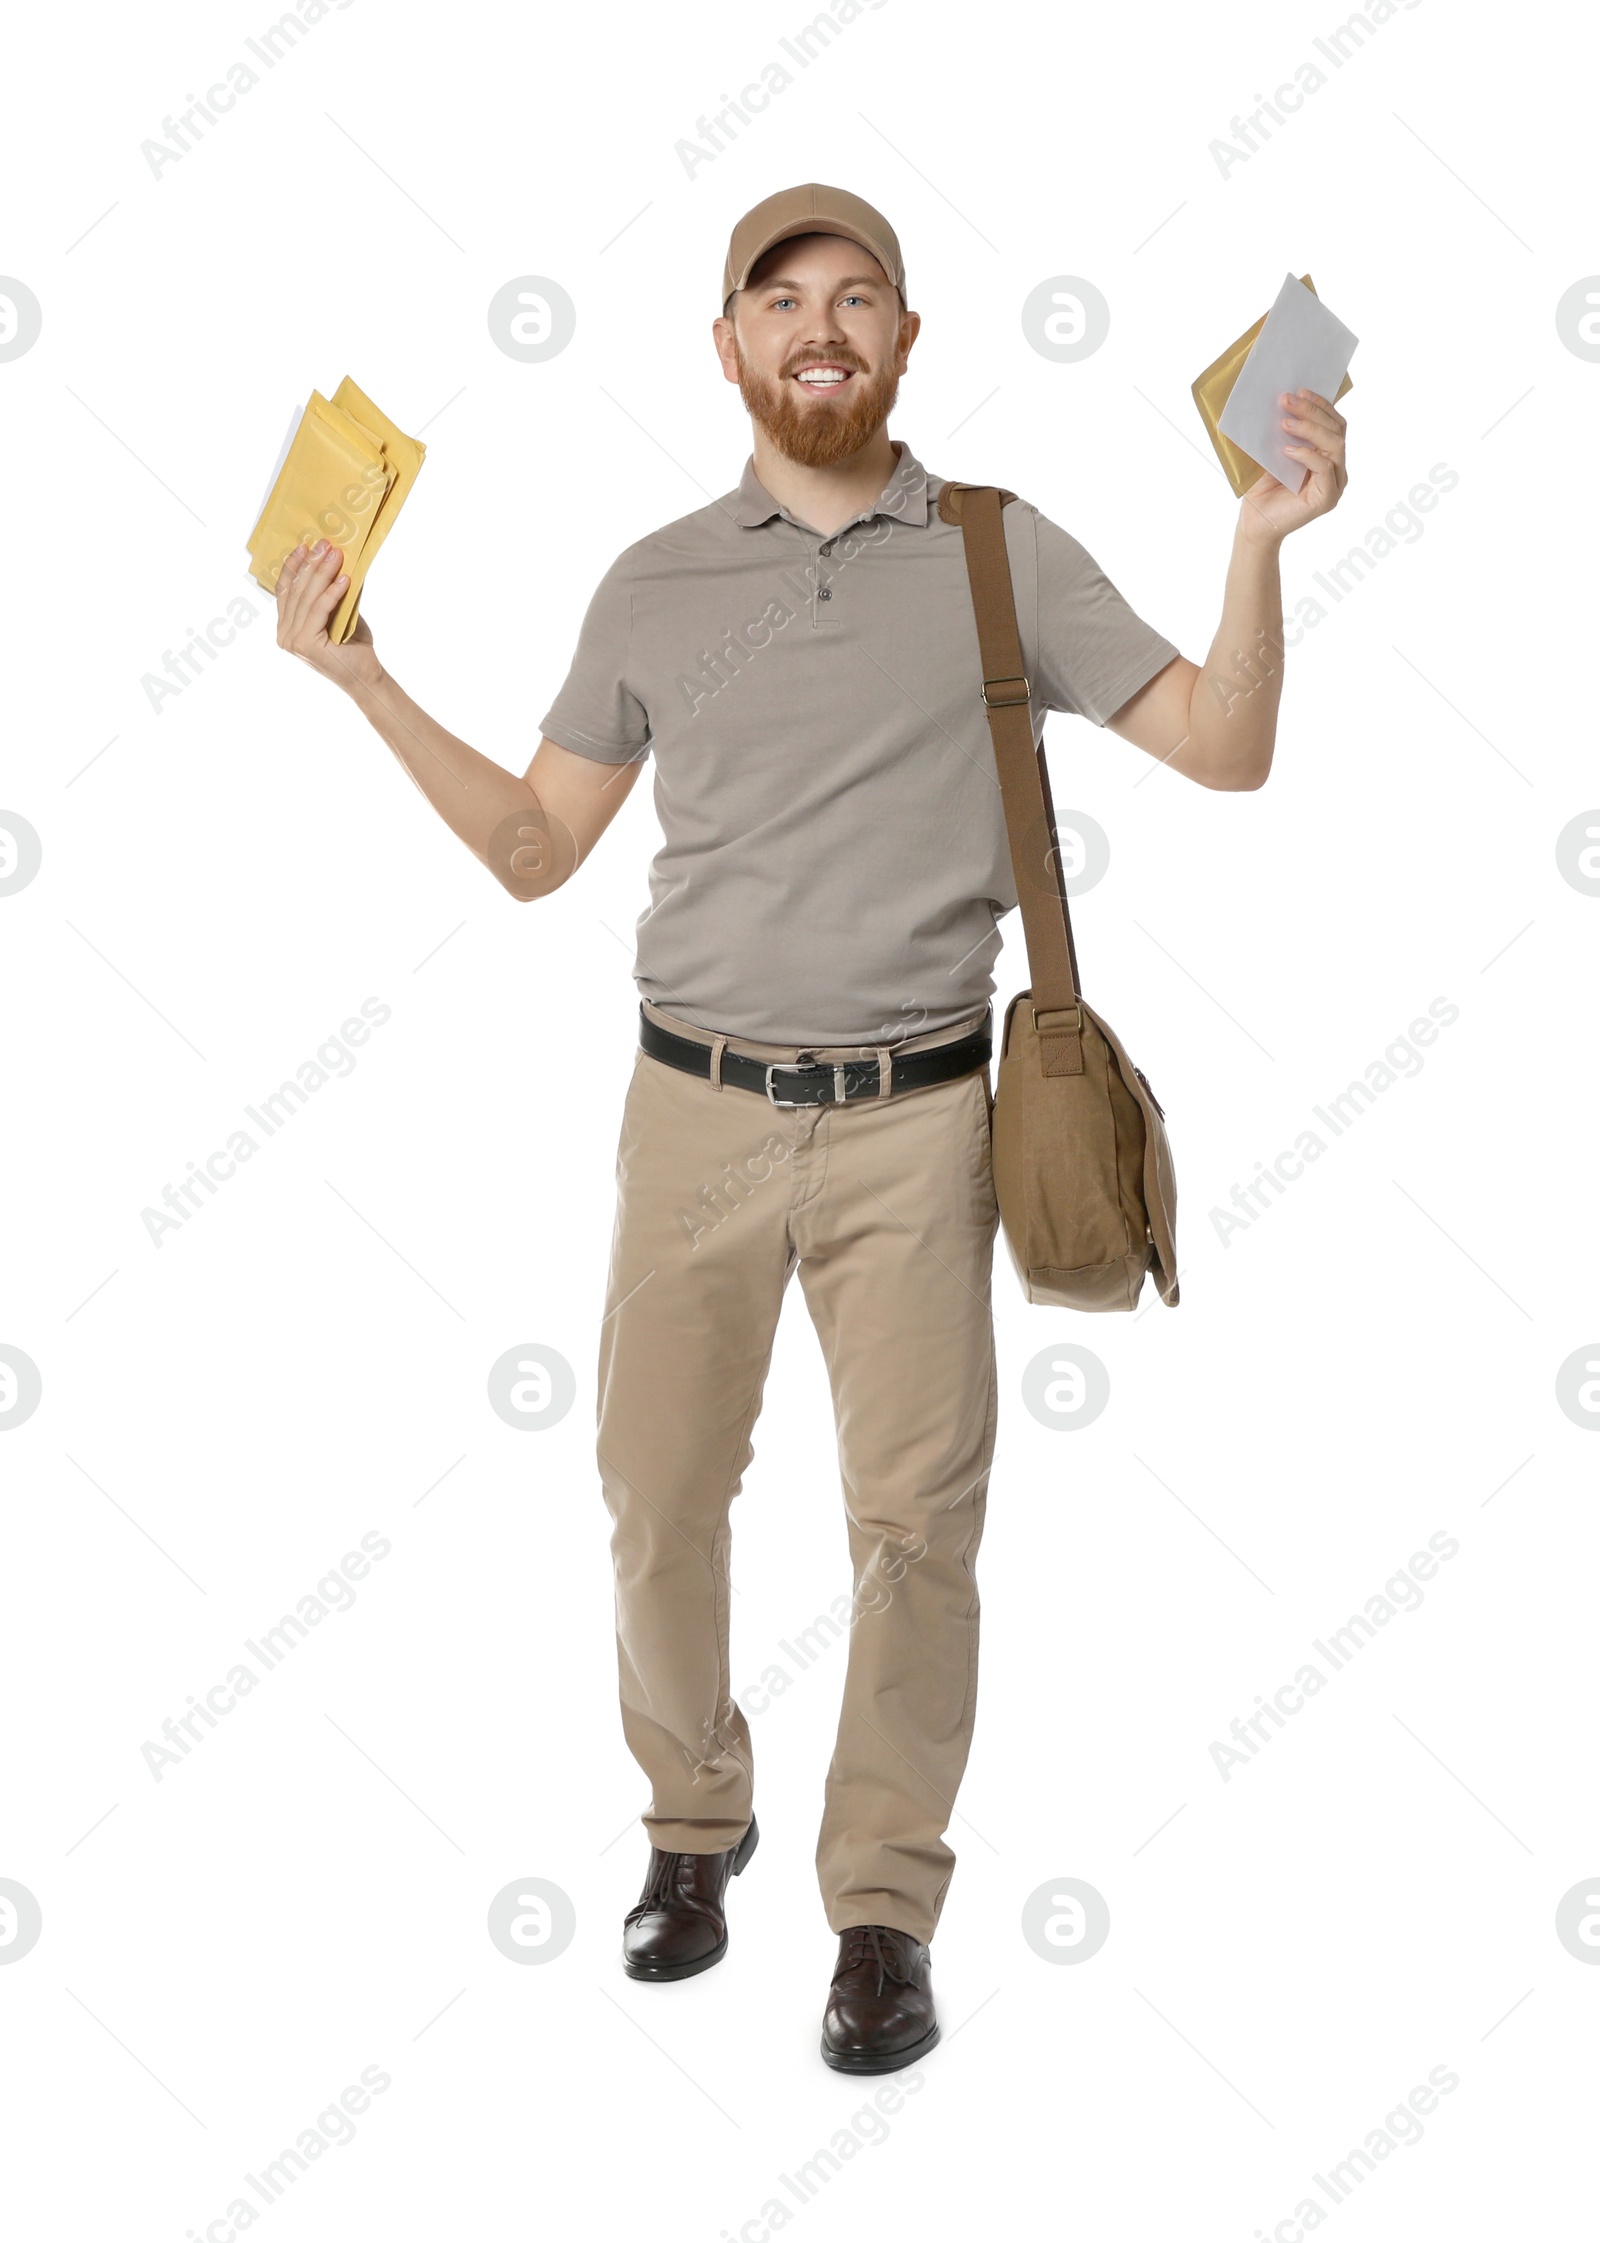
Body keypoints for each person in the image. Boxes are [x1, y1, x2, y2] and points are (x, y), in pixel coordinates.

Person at [273, 181, 1348, 2072]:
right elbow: (537, 853)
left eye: (862, 298)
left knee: (915, 1533)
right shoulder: (651, 582)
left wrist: (1262, 537)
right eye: (784, 302)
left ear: (910, 345)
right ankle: (696, 1827)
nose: (823, 326)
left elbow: (1227, 746)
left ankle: (881, 1907)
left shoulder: (1004, 554)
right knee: (658, 1502)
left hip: (921, 1125)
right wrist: (363, 674)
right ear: (730, 349)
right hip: (694, 1115)